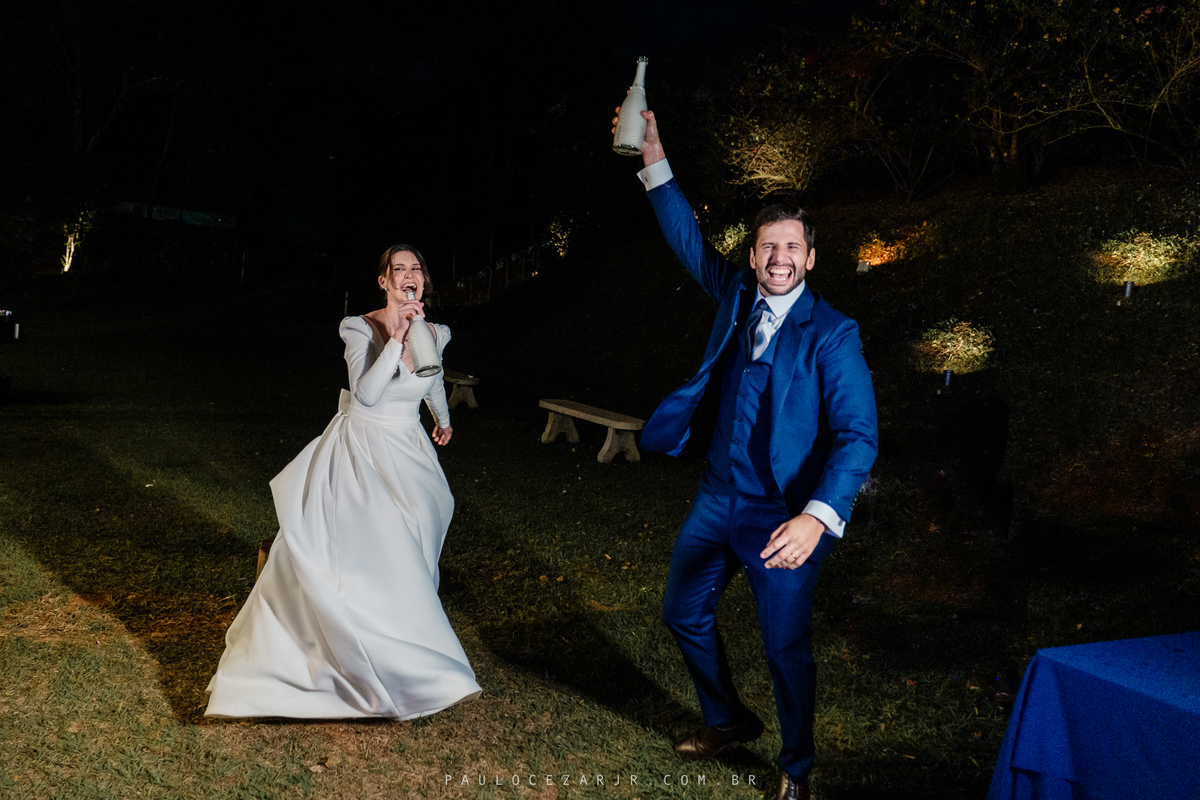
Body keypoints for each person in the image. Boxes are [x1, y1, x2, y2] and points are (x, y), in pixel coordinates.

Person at [617, 108, 878, 799]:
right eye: (768, 246)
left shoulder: (834, 334)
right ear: (754, 255)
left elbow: (858, 437)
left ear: (810, 257)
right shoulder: (735, 293)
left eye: (792, 247)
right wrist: (653, 158)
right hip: (717, 496)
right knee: (682, 612)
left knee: (784, 647)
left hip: (784, 515)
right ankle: (727, 718)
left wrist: (817, 516)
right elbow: (688, 240)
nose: (779, 257)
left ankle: (796, 768)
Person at [205, 245, 481, 719]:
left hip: (409, 448)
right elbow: (367, 395)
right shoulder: (360, 328)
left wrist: (442, 418)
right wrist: (396, 338)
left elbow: (432, 379)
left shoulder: (436, 332)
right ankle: (344, 653)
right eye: (399, 269)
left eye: (416, 269)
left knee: (419, 531)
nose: (409, 275)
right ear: (384, 280)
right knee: (371, 545)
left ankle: (407, 640)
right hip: (362, 449)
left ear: (424, 280)